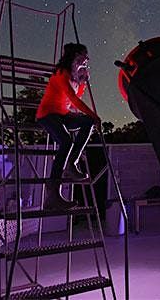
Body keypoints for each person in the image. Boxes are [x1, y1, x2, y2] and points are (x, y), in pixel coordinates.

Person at [36, 43, 101, 210]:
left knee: (87, 122)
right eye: (84, 55)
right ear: (74, 56)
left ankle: (72, 162)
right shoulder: (61, 73)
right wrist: (95, 116)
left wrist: (82, 81)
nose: (87, 59)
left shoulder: (74, 75)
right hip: (48, 114)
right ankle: (53, 194)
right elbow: (74, 100)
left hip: (63, 114)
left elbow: (75, 97)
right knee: (66, 142)